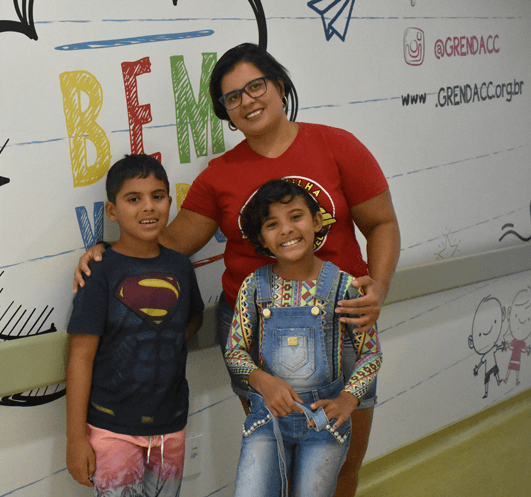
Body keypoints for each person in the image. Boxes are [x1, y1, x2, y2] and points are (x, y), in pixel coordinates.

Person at [74, 43, 400, 496]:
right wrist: (106, 253)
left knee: (338, 466)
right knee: (279, 467)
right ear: (226, 112)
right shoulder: (218, 177)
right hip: (258, 334)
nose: (247, 100)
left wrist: (379, 288)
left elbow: (382, 223)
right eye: (232, 97)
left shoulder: (337, 145)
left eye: (255, 86)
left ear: (280, 86)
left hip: (344, 321)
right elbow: (166, 243)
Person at [225, 179, 382, 497]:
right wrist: (260, 380)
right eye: (272, 224)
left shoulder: (345, 287)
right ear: (261, 239)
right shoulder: (254, 287)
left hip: (322, 425)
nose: (286, 229)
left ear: (317, 221)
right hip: (266, 422)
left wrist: (348, 398)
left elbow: (370, 354)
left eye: (295, 216)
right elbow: (235, 351)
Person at [65, 154, 205, 496]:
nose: (148, 207)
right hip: (111, 429)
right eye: (133, 199)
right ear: (112, 211)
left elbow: (192, 319)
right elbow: (81, 357)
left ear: (170, 203)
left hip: (170, 426)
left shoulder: (180, 266)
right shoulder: (99, 270)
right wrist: (75, 438)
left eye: (157, 197)